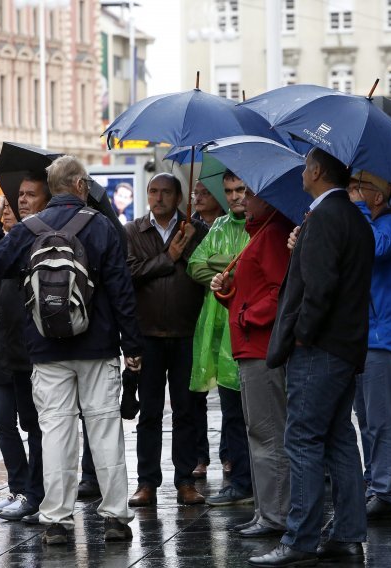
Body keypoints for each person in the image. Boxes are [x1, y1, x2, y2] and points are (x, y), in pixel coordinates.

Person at [0, 155, 142, 545]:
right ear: (80, 185)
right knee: (104, 429)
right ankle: (115, 517)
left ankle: (57, 521)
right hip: (97, 348)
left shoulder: (28, 229)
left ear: (51, 187)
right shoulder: (100, 227)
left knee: (56, 432)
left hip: (46, 350)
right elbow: (121, 291)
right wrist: (132, 346)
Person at [250, 148, 374, 566]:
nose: (302, 173)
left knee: (302, 439)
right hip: (344, 346)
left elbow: (319, 289)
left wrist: (302, 335)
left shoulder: (324, 217)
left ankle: (300, 540)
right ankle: (347, 534)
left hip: (319, 349)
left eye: (305, 167)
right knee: (338, 439)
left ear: (317, 171)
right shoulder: (352, 216)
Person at [210, 188, 294, 537]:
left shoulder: (271, 235)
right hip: (251, 348)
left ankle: (275, 515)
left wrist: (246, 315)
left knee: (268, 433)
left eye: (250, 192)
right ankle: (266, 511)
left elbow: (281, 293)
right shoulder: (258, 234)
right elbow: (255, 291)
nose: (243, 197)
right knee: (260, 433)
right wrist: (227, 291)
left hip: (261, 349)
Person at [124, 173, 209, 507]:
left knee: (186, 410)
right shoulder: (132, 231)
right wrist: (167, 258)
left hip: (187, 332)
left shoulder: (195, 231)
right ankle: (147, 482)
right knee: (150, 413)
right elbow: (129, 272)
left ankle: (185, 480)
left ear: (178, 197)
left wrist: (186, 248)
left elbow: (204, 273)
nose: (158, 198)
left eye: (166, 192)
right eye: (153, 191)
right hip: (147, 335)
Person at [348, 171, 391, 519]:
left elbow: (371, 249)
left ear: (379, 196)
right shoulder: (376, 225)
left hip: (382, 338)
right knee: (369, 417)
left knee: (381, 418)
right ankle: (378, 481)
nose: (351, 192)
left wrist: (358, 211)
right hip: (366, 335)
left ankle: (386, 489)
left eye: (359, 188)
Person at [187, 171, 251, 503]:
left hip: (252, 330)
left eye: (241, 189)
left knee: (260, 416)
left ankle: (260, 484)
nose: (235, 196)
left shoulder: (264, 226)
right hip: (219, 333)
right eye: (229, 191)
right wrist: (230, 267)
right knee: (232, 413)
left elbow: (254, 268)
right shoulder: (220, 226)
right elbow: (195, 266)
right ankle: (240, 482)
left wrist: (223, 265)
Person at [0, 201, 45, 522]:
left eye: (14, 203)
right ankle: (19, 486)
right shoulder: (2, 249)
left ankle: (33, 491)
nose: (7, 210)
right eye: (4, 206)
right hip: (3, 349)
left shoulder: (29, 244)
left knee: (32, 424)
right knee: (2, 420)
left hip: (27, 351)